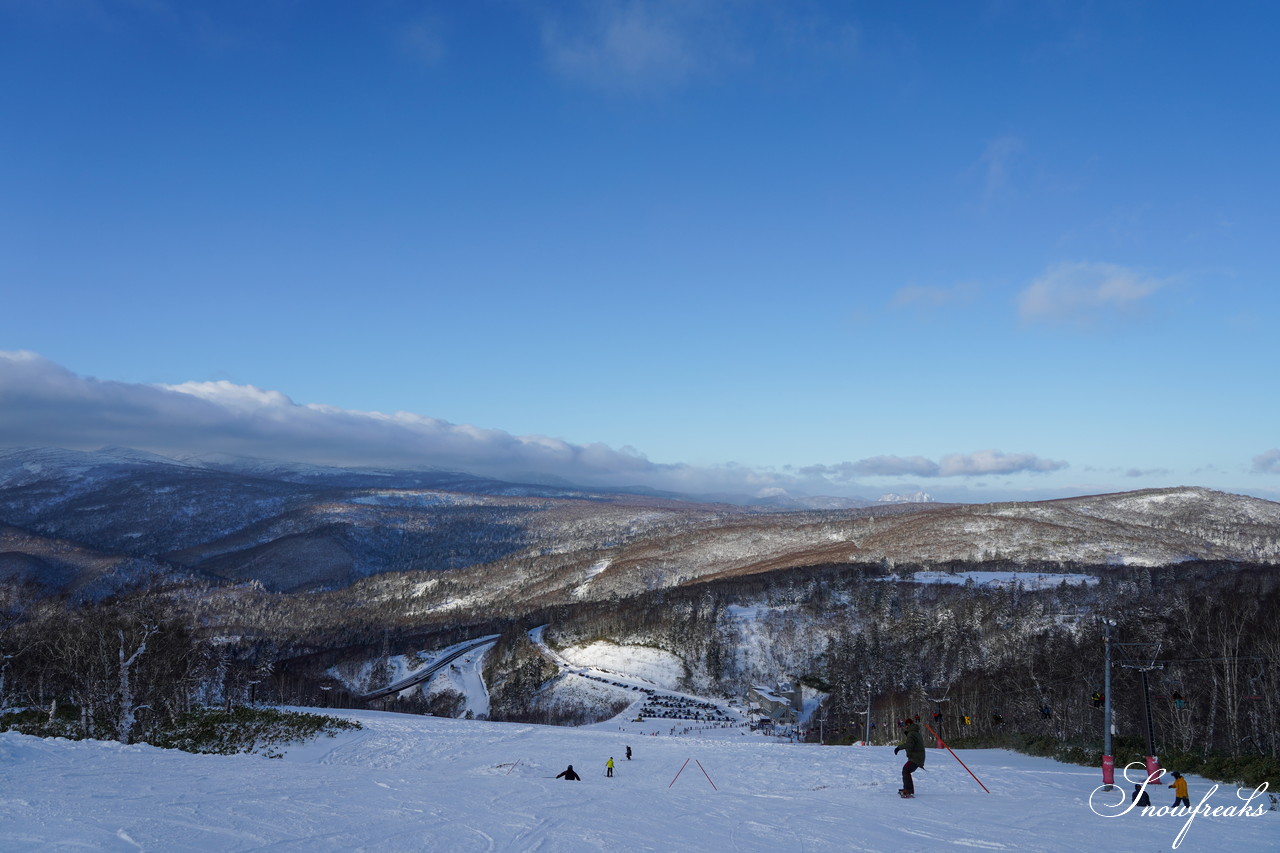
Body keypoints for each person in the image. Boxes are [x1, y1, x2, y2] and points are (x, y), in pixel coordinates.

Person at [894, 718, 925, 798]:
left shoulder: (912, 734)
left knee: (906, 770)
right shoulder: (915, 733)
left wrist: (899, 748)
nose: (905, 727)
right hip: (918, 757)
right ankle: (908, 789)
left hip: (916, 758)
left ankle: (908, 790)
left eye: (906, 725)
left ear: (908, 724)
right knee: (906, 770)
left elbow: (909, 745)